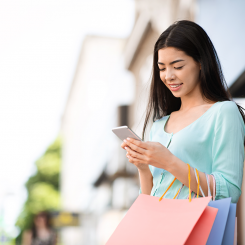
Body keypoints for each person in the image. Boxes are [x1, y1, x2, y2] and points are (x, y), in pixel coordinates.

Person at [121, 20, 245, 203]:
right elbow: (150, 201)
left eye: (178, 66)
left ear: (201, 62)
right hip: (159, 228)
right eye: (162, 68)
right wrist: (143, 168)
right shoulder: (159, 125)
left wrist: (169, 162)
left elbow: (229, 191)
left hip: (199, 229)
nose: (168, 75)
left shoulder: (223, 113)